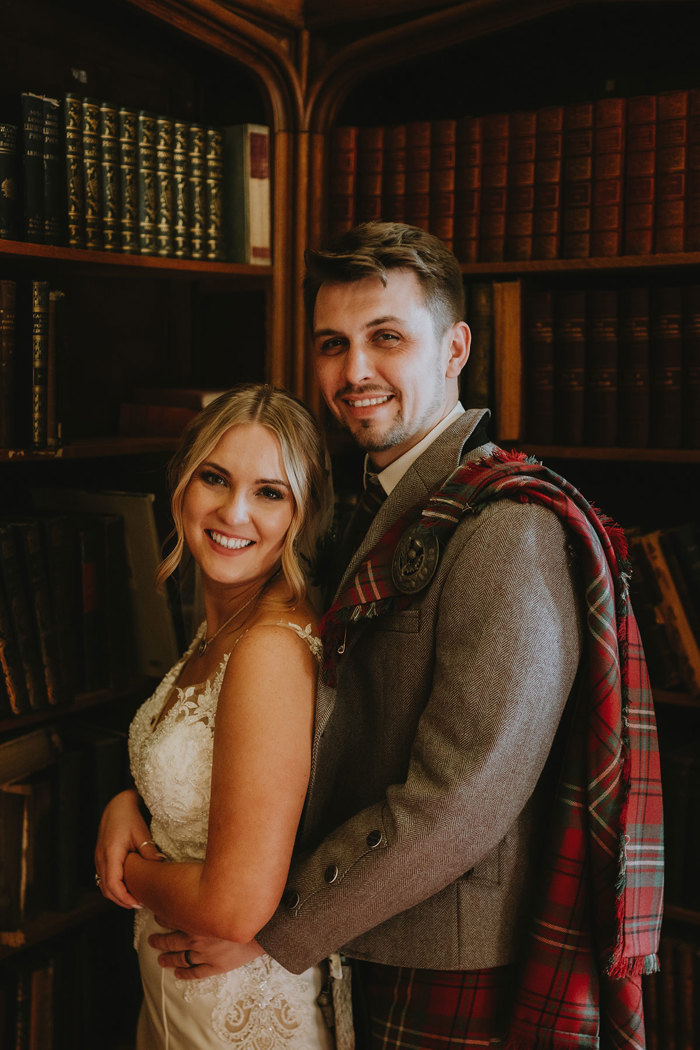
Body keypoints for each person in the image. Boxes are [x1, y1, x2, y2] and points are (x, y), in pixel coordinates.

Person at [107, 224, 663, 1049]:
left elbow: (460, 802)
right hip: (357, 943)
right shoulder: (371, 505)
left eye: (387, 338)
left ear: (455, 348)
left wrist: (273, 929)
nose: (354, 371)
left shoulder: (507, 532)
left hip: (448, 961)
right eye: (334, 344)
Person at [94, 383, 336, 1049]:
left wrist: (127, 866)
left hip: (239, 1020)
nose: (234, 511)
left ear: (301, 512)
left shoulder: (269, 650)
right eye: (215, 478)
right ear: (183, 484)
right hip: (177, 1001)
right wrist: (126, 804)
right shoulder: (222, 627)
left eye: (269, 492)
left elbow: (234, 907)